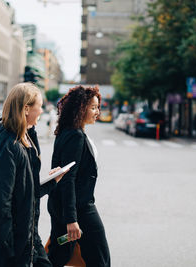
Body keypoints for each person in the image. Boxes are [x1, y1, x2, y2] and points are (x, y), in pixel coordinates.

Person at [0, 83, 67, 267]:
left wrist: (53, 181)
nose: (42, 111)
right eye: (39, 106)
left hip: (27, 232)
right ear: (26, 108)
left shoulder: (25, 139)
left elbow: (25, 192)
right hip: (12, 237)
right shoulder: (9, 143)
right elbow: (4, 199)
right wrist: (7, 246)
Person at [47, 85, 111, 267]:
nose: (97, 112)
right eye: (93, 107)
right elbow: (68, 179)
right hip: (80, 209)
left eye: (98, 107)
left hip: (65, 207)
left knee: (59, 256)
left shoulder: (67, 132)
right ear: (80, 108)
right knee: (100, 259)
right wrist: (71, 220)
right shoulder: (75, 136)